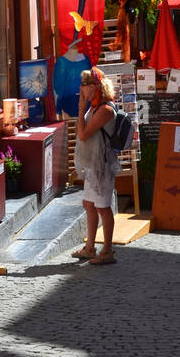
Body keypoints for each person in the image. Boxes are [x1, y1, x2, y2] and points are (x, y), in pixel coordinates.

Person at [72, 68, 120, 264]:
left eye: (84, 86)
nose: (81, 89)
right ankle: (90, 248)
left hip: (103, 165)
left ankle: (107, 251)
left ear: (93, 87)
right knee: (89, 204)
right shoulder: (95, 106)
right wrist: (84, 108)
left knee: (103, 207)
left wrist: (81, 108)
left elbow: (83, 134)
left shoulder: (105, 110)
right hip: (94, 163)